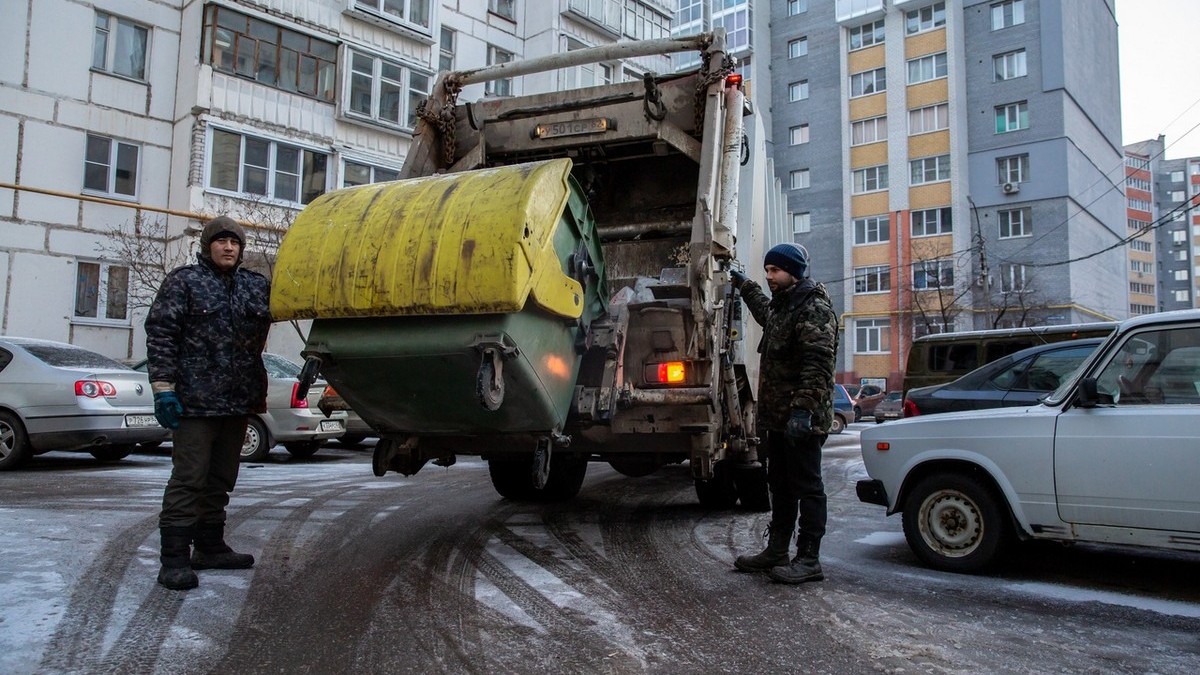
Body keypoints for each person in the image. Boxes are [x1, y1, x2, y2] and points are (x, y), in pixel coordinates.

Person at [145, 216, 272, 590]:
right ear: (207, 246)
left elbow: (280, 315)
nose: (228, 247)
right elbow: (161, 333)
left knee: (220, 479)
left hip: (237, 401)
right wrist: (163, 387)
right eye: (221, 241)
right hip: (195, 402)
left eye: (234, 242)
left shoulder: (255, 286)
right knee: (189, 479)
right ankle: (174, 560)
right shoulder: (184, 282)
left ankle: (210, 547)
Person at [728, 243, 838, 584]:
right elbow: (766, 313)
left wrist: (802, 412)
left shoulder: (814, 309)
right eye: (767, 270)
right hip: (779, 419)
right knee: (780, 485)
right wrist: (745, 285)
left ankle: (809, 559)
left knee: (808, 487)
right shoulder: (785, 306)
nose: (769, 276)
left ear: (794, 271)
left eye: (775, 270)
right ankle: (777, 550)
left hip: (801, 419)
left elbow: (817, 366)